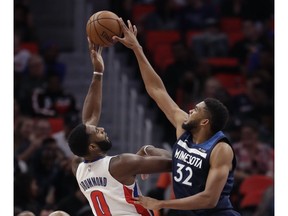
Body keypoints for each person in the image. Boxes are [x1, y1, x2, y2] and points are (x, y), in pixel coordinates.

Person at [113, 18, 240, 216]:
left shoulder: (220, 149)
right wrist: (137, 48)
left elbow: (209, 199)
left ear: (205, 122)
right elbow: (157, 91)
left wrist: (160, 203)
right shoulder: (185, 128)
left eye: (197, 110)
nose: (190, 110)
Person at [67, 38, 172, 216]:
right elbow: (174, 163)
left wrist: (98, 73)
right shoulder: (121, 163)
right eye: (97, 132)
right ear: (92, 147)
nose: (101, 129)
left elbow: (89, 119)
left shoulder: (78, 167)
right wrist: (149, 149)